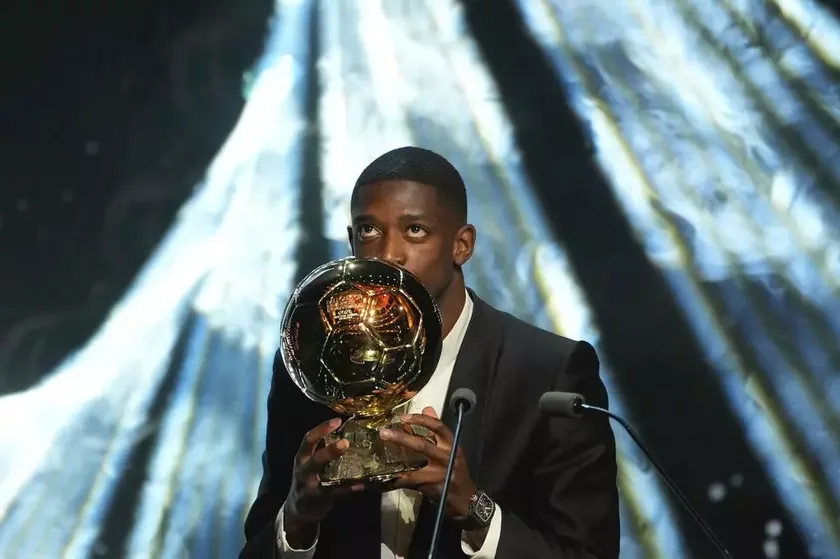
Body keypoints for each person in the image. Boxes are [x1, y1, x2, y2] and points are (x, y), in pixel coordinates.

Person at [240, 146, 619, 558]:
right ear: (351, 242)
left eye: (415, 230)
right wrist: (297, 519)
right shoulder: (310, 368)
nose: (389, 254)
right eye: (368, 230)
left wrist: (474, 509)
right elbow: (257, 545)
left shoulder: (549, 373)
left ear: (462, 244)